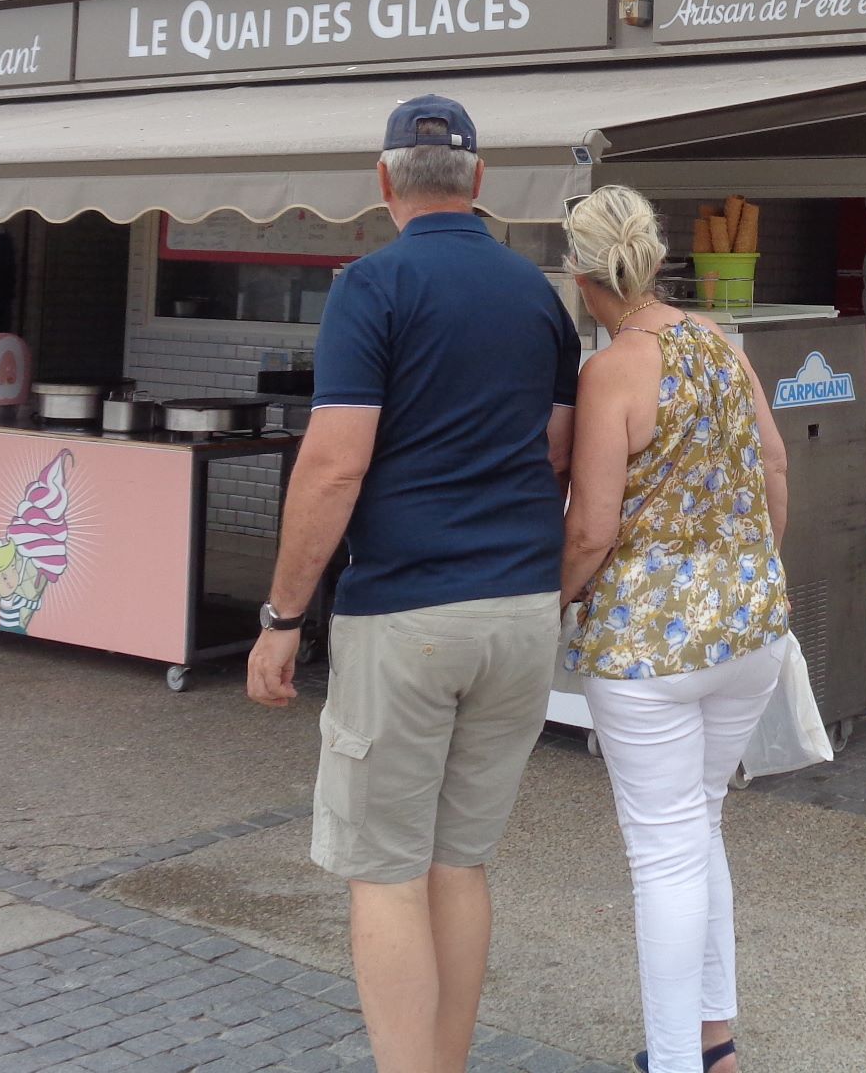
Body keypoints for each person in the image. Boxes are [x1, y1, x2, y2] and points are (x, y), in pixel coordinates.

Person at [248, 95, 578, 1073]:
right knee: (458, 862)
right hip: (521, 608)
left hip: (408, 613)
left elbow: (332, 466)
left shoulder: (372, 285)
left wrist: (282, 616)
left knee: (386, 872)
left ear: (384, 181)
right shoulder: (537, 295)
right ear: (479, 181)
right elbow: (556, 452)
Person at [560, 185, 792, 1073]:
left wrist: (552, 602)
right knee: (700, 825)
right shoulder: (720, 343)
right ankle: (712, 1042)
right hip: (749, 632)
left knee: (663, 854)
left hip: (646, 648)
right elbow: (774, 465)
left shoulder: (612, 371)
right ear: (657, 259)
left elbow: (591, 528)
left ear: (582, 278)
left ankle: (673, 1060)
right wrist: (750, 571)